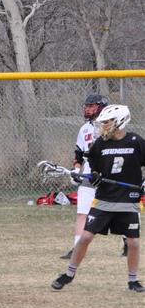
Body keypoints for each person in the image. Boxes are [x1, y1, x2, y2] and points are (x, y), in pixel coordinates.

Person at [52, 104, 144, 293]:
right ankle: (68, 274)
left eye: (107, 122)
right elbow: (94, 169)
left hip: (129, 200)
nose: (103, 126)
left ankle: (133, 280)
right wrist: (95, 176)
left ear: (119, 122)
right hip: (104, 199)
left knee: (133, 242)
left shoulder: (136, 141)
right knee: (85, 237)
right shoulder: (100, 144)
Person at [62, 93, 119, 259]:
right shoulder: (84, 129)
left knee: (118, 210)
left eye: (91, 106)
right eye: (86, 106)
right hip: (89, 175)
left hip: (109, 174)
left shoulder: (112, 127)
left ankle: (127, 243)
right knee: (82, 212)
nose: (87, 109)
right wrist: (76, 170)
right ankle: (77, 248)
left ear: (101, 107)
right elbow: (79, 154)